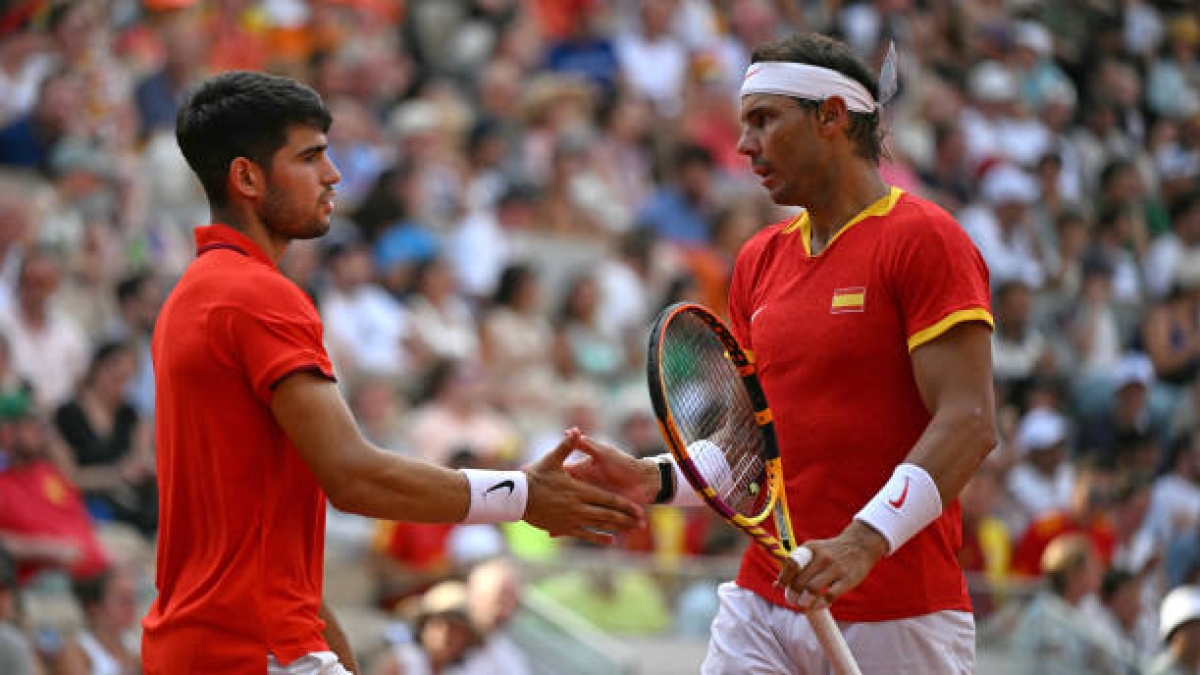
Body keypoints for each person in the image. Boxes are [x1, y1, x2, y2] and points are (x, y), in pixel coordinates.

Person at [141, 71, 643, 675]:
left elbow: (269, 550)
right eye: (310, 157)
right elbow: (353, 477)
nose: (334, 175)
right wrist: (522, 495)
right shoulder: (259, 296)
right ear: (247, 177)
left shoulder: (192, 297)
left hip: (206, 646)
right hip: (254, 650)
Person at [569, 32, 996, 673]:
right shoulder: (759, 260)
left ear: (831, 116)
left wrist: (861, 543)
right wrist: (651, 478)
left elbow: (969, 422)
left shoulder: (927, 239)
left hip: (900, 610)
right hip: (763, 596)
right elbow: (747, 449)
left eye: (764, 121)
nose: (744, 147)